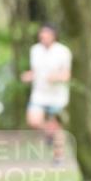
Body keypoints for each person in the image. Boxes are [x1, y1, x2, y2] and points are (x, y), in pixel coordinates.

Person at [21, 23, 72, 163]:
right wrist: (28, 76)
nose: (42, 37)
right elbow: (35, 71)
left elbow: (67, 75)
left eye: (46, 34)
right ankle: (49, 133)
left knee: (56, 126)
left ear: (53, 36)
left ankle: (58, 157)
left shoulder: (63, 51)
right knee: (33, 121)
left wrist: (56, 77)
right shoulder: (35, 50)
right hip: (39, 94)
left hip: (57, 96)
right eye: (41, 34)